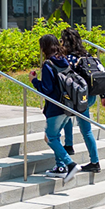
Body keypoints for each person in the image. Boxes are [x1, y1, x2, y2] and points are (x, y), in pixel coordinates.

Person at [30, 34, 80, 183]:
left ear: (44, 47)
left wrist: (34, 81)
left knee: (50, 137)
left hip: (55, 107)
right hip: (67, 105)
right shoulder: (64, 61)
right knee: (56, 135)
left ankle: (70, 164)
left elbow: (46, 89)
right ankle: (60, 167)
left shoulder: (48, 64)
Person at [59, 27, 105, 175]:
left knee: (85, 129)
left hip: (78, 98)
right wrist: (104, 96)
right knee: (68, 116)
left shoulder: (69, 59)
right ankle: (69, 145)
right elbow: (100, 72)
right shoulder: (88, 56)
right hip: (91, 96)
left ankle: (94, 162)